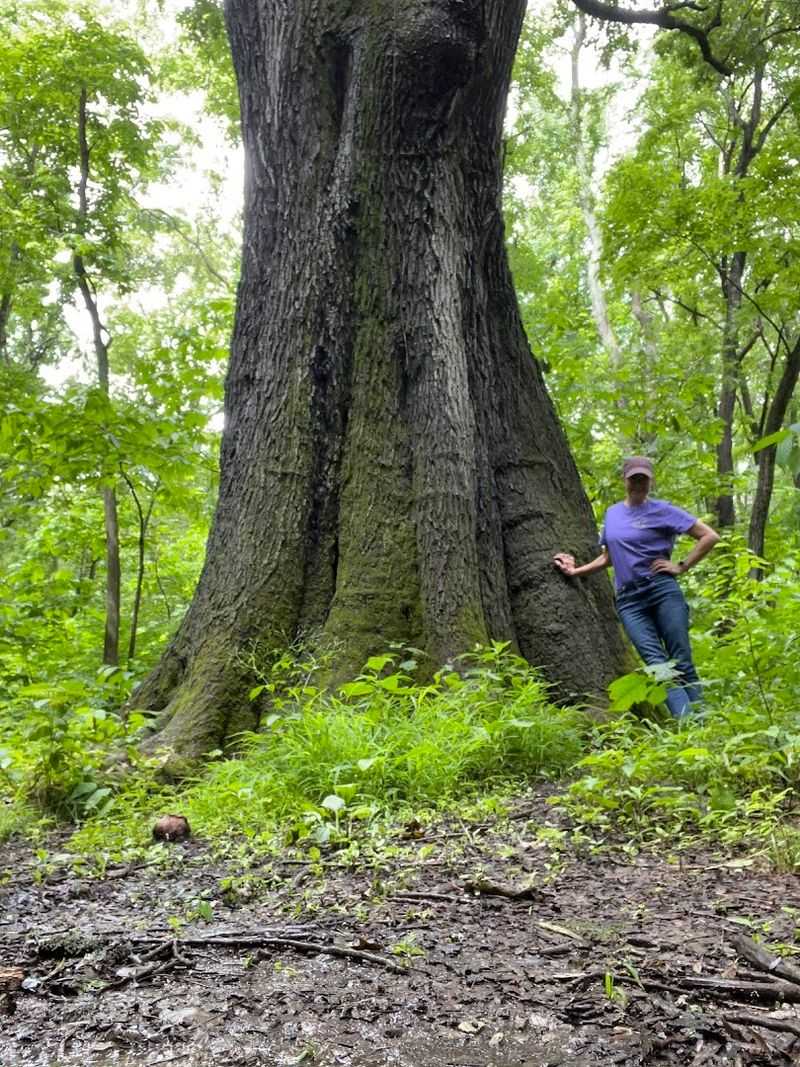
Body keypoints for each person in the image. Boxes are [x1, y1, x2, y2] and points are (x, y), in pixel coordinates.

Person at [553, 457, 720, 718]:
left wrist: (681, 566)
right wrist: (576, 571)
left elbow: (709, 536)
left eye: (644, 478)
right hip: (630, 601)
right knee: (657, 665)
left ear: (650, 480)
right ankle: (688, 725)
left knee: (681, 659)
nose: (639, 483)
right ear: (625, 480)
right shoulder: (613, 514)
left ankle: (703, 725)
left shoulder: (663, 510)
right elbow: (610, 557)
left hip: (662, 590)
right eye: (634, 478)